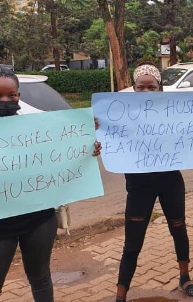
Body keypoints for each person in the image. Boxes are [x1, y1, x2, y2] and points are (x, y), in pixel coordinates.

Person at [103, 62, 193, 301]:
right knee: (132, 243)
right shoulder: (121, 117)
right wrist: (98, 131)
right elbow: (107, 142)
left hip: (170, 182)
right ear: (134, 89)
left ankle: (185, 278)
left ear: (161, 89)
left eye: (152, 87)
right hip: (139, 187)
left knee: (179, 229)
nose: (146, 92)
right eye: (141, 87)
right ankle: (120, 293)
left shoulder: (174, 113)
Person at [0, 67, 102, 302]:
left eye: (12, 95)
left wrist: (87, 147)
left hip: (38, 219)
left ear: (19, 96)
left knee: (41, 277)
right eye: (0, 95)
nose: (6, 100)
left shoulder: (37, 128)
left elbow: (62, 154)